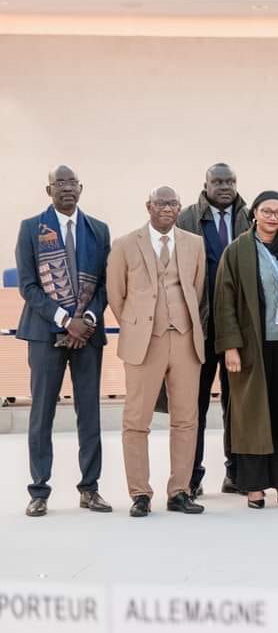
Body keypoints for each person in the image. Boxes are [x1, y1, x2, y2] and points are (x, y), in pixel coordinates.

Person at [17, 165, 112, 518]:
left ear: (81, 188)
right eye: (60, 183)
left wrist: (85, 320)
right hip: (44, 334)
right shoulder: (30, 229)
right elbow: (28, 286)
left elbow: (106, 283)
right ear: (49, 190)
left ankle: (90, 489)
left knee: (89, 413)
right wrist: (63, 320)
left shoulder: (98, 230)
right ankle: (39, 491)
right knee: (42, 414)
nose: (66, 188)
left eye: (72, 182)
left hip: (87, 334)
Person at [106, 187, 206, 517]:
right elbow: (116, 295)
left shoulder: (194, 243)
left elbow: (196, 287)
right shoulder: (124, 244)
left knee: (186, 419)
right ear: (148, 206)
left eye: (173, 203)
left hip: (185, 340)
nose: (167, 208)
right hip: (144, 341)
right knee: (137, 419)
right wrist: (138, 327)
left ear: (180, 208)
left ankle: (179, 490)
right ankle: (140, 493)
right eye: (160, 203)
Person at [216, 191, 278, 509]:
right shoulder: (238, 250)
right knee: (251, 414)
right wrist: (231, 347)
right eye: (266, 211)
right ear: (254, 213)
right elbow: (224, 301)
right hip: (253, 346)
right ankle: (253, 487)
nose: (272, 217)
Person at [176, 162, 250, 496]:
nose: (224, 186)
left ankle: (235, 472)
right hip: (200, 328)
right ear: (204, 184)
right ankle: (192, 475)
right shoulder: (187, 219)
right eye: (217, 181)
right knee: (196, 404)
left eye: (230, 181)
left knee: (238, 404)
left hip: (238, 330)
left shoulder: (249, 217)